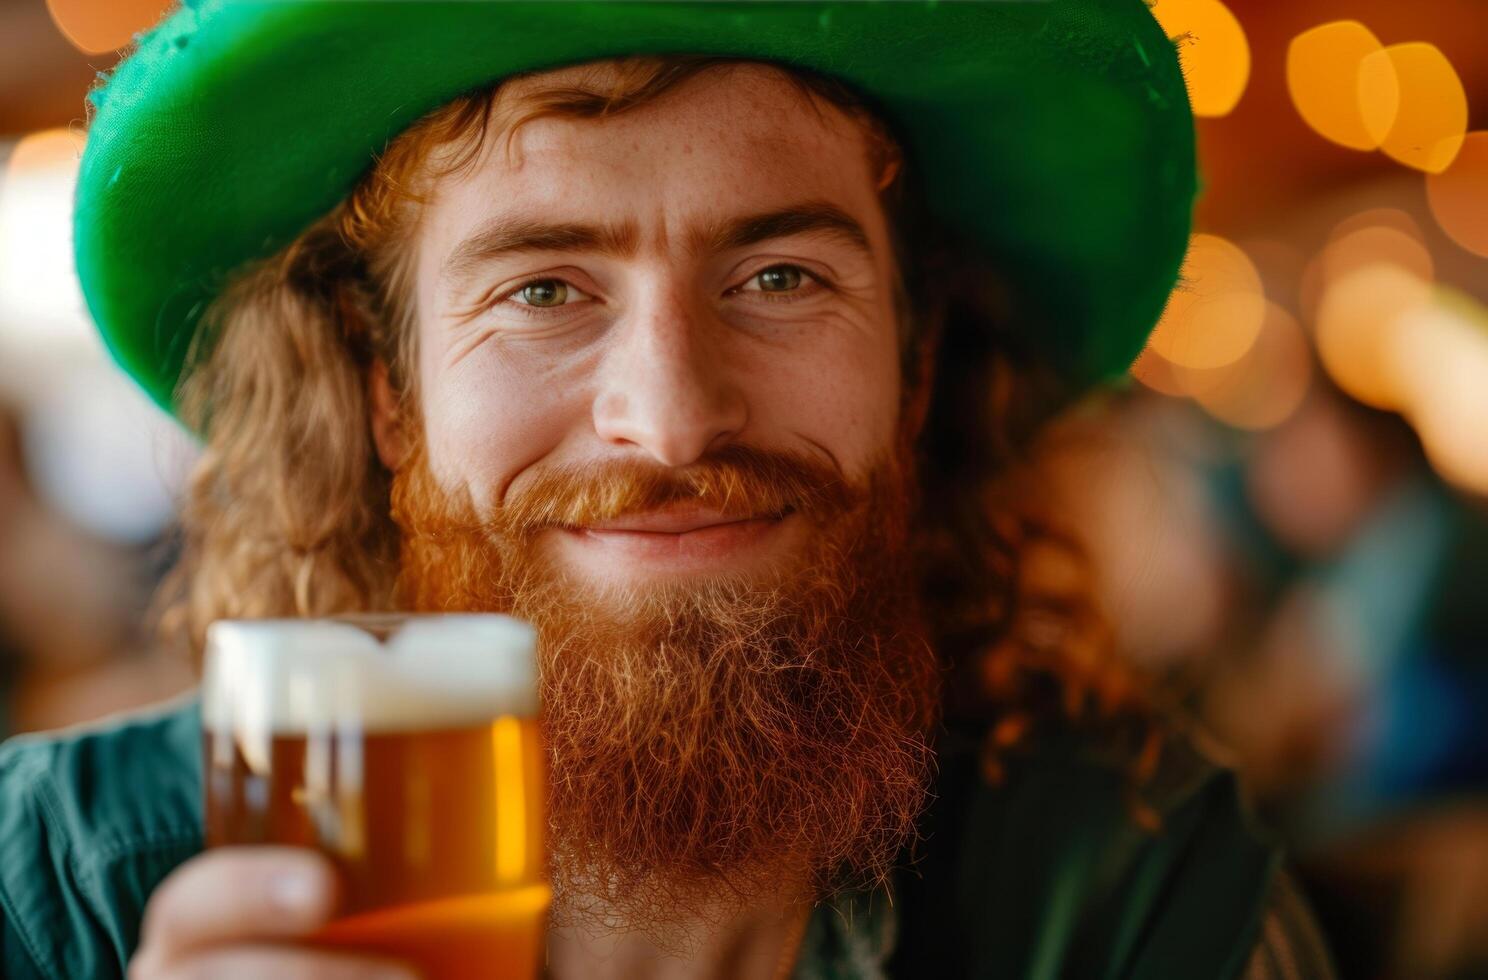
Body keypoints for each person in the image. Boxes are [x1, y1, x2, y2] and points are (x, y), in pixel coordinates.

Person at [0, 2, 1336, 977]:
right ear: (384, 391)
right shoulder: (52, 893)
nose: (673, 418)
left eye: (780, 278)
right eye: (542, 291)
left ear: (917, 366)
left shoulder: (1130, 901)